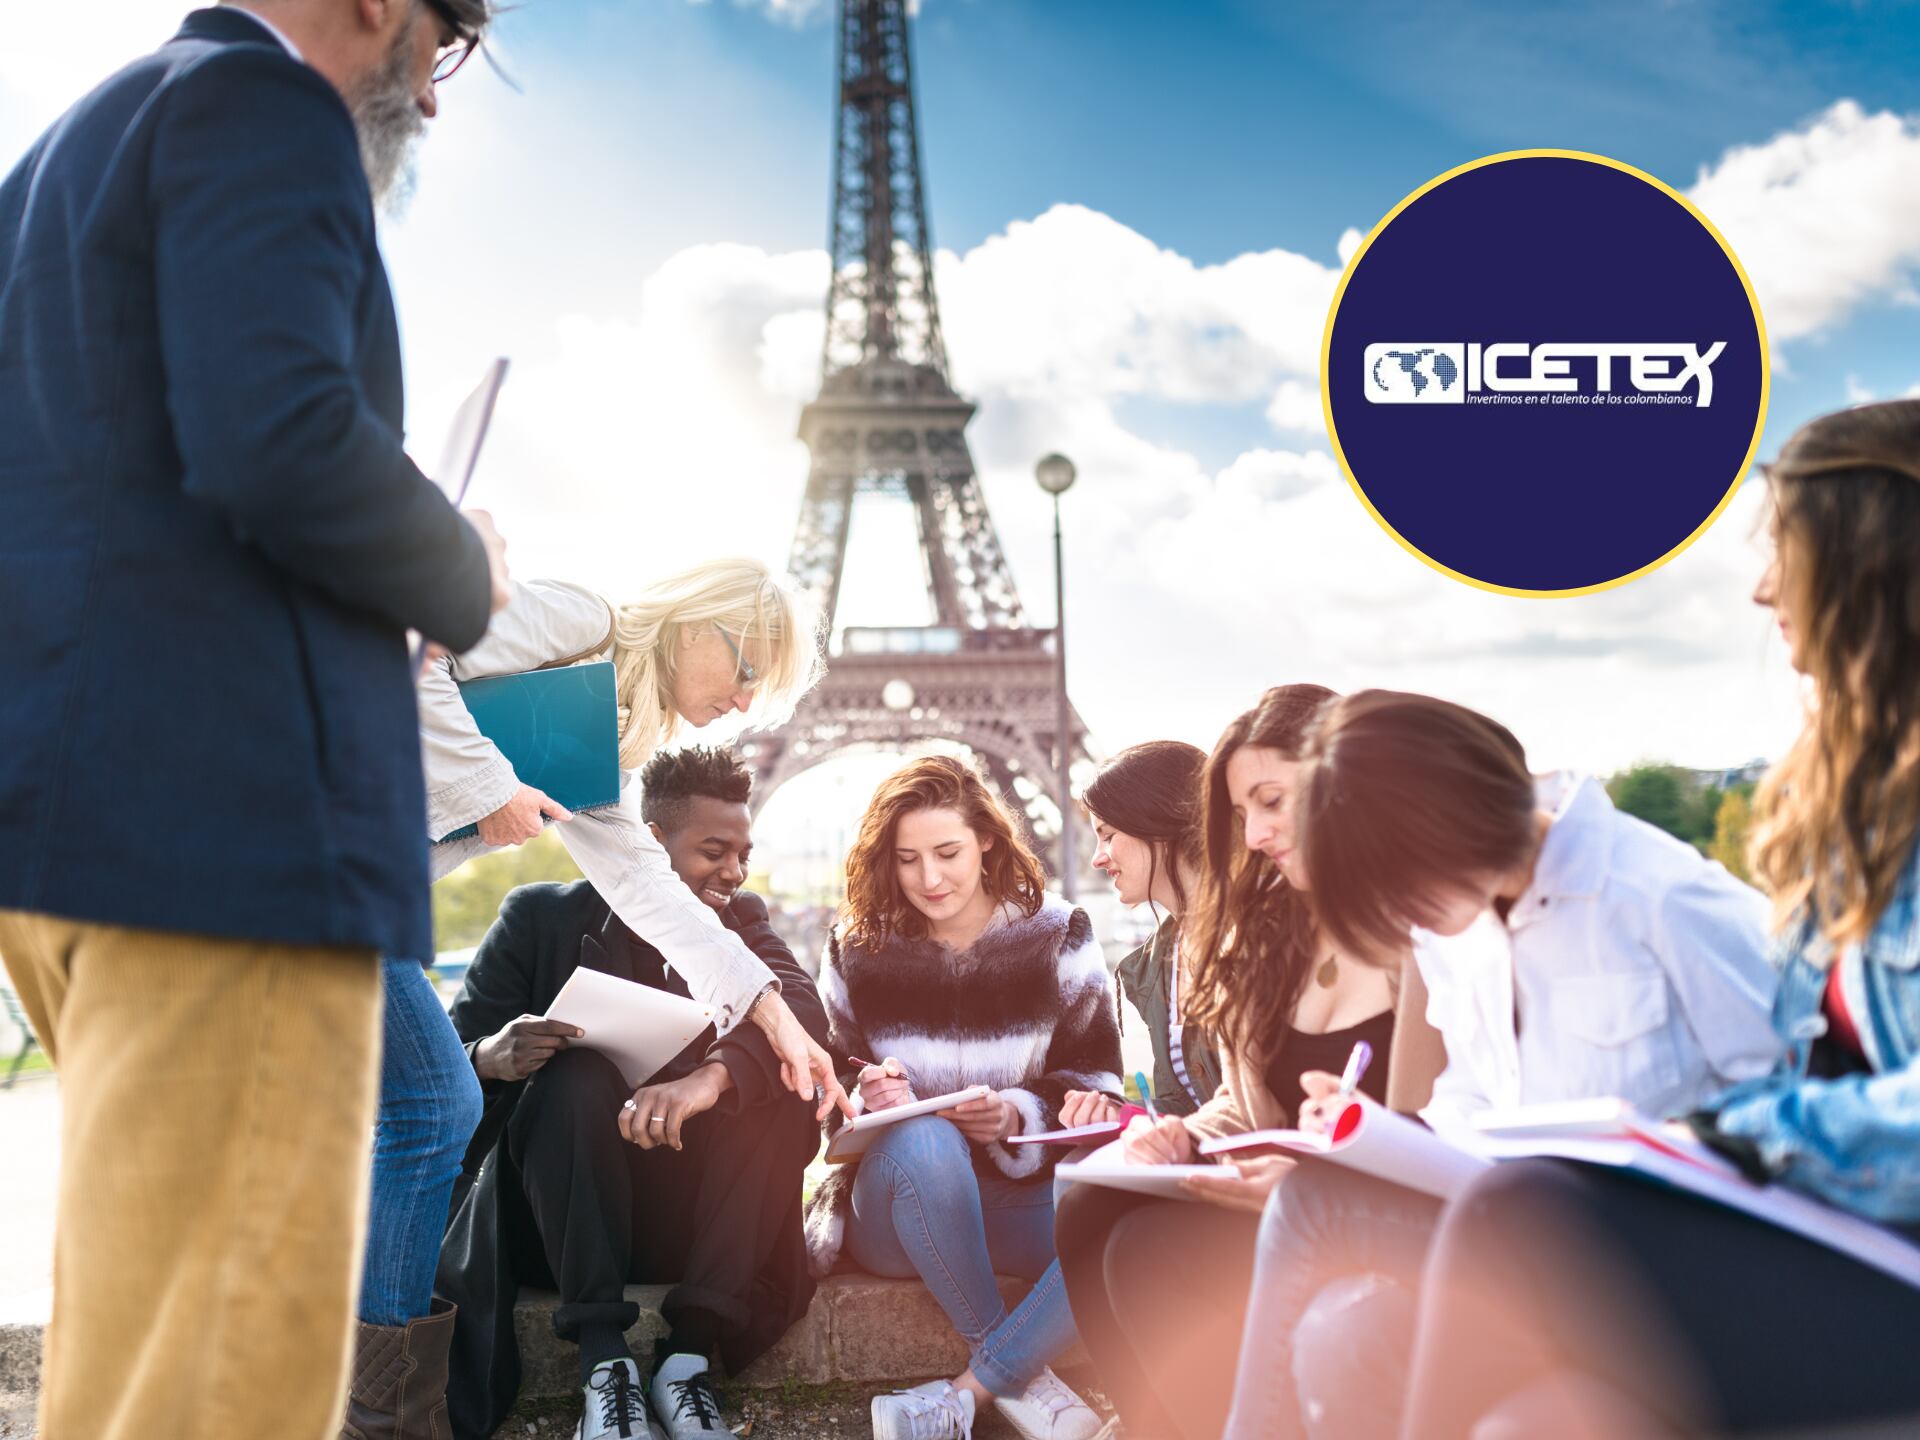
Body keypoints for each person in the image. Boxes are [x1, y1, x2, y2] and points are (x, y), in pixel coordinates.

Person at [0, 3, 507, 1436]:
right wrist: (461, 560)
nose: (435, 92)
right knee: (228, 1388)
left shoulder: (61, 154)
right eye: (442, 43)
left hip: (71, 835)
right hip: (232, 844)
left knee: (137, 1369)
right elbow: (278, 436)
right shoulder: (264, 109)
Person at [1395, 401, 1920, 1439]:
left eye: (1788, 549)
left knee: (1522, 1217)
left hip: (1879, 1252)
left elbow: (1796, 1103)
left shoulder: (1665, 888)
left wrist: (1732, 1135)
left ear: (1872, 559)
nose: (1764, 585)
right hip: (1850, 1237)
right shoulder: (1847, 810)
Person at [356, 561, 848, 1433]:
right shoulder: (580, 622)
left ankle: (380, 1405)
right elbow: (406, 643)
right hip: (314, 855)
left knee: (427, 1109)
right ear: (697, 625)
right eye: (743, 671)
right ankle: (378, 1408)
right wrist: (492, 789)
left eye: (759, 693)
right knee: (432, 1106)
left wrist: (768, 1012)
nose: (742, 703)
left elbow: (651, 894)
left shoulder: (606, 749)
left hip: (361, 889)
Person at [1214, 689, 1780, 1439]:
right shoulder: (1455, 927)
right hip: (1522, 1229)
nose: (1396, 915)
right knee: (1339, 1334)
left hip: (1666, 1251)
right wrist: (1379, 1134)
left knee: (1314, 1205)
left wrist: (1675, 1153)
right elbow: (1470, 1102)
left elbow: (1799, 1094)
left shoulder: (1664, 897)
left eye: (1388, 882)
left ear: (1436, 827)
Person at [1052, 686, 1445, 1440]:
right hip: (1287, 1188)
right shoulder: (1262, 935)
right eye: (1241, 815)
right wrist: (1179, 1137)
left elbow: (1450, 1120)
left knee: (1146, 1251)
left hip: (1375, 1200)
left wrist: (1316, 1180)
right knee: (1087, 1206)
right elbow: (1241, 1099)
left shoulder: (1417, 935)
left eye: (1270, 803)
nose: (1256, 834)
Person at [437, 746, 827, 1440]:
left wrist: (708, 1081)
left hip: (697, 1230)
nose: (734, 873)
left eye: (743, 853)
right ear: (649, 843)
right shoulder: (539, 918)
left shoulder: (741, 920)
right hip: (566, 1225)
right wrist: (493, 1057)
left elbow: (802, 1013)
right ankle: (603, 1369)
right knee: (575, 1075)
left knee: (778, 1083)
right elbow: (442, 1070)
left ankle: (687, 1363)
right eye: (714, 851)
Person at [801, 756, 1122, 1440]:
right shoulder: (856, 949)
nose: (929, 878)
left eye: (947, 852)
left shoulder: (1059, 936)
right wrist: (865, 1097)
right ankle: (1023, 1374)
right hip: (894, 1211)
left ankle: (965, 1394)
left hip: (1013, 1199)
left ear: (986, 838)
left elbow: (1096, 1084)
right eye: (908, 858)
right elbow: (823, 1096)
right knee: (924, 1137)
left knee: (1127, 1213)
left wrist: (1012, 1115)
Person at [1062, 740, 1221, 1126]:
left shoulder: (1256, 936)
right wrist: (1123, 1114)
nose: (1097, 857)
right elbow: (1188, 1106)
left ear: (1156, 822)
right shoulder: (1153, 968)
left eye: (1108, 834)